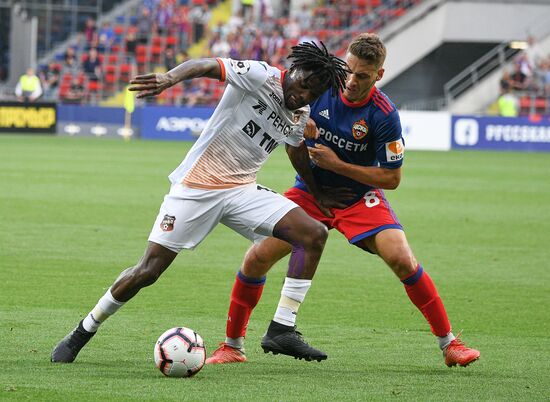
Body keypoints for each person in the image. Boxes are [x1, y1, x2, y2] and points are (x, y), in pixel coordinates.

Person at [50, 42, 349, 364]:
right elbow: (208, 64)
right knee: (148, 271)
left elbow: (295, 151)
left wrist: (316, 192)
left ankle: (282, 328)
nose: (303, 95)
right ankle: (84, 330)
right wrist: (169, 78)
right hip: (197, 187)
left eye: (312, 94)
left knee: (313, 234)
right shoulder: (262, 76)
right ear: (294, 71)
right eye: (303, 84)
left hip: (241, 190)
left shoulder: (299, 113)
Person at [206, 33, 481, 368]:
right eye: (348, 70)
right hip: (310, 193)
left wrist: (339, 165)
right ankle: (233, 346)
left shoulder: (384, 115)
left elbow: (392, 178)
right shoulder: (322, 87)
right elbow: (287, 114)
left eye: (362, 75)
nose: (351, 81)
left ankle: (450, 344)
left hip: (356, 198)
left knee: (402, 258)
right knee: (256, 258)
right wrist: (300, 127)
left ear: (378, 75)